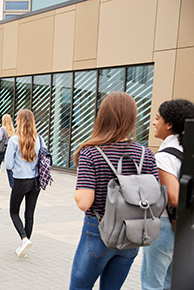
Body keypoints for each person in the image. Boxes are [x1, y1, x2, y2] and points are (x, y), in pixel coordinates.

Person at [69, 92, 159, 290]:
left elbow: (84, 201)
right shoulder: (145, 154)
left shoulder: (91, 152)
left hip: (99, 230)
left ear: (103, 116)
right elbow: (156, 198)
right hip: (133, 232)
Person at [141, 99, 194, 290]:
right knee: (172, 284)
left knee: (151, 285)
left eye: (157, 118)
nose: (154, 123)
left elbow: (173, 197)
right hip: (184, 227)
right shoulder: (187, 151)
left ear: (169, 124)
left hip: (165, 225)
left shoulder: (164, 157)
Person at [4, 109, 45, 258]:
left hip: (20, 180)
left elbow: (8, 164)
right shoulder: (40, 139)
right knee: (29, 214)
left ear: (19, 121)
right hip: (36, 181)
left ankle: (24, 239)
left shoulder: (14, 140)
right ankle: (25, 245)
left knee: (14, 212)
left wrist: (18, 166)